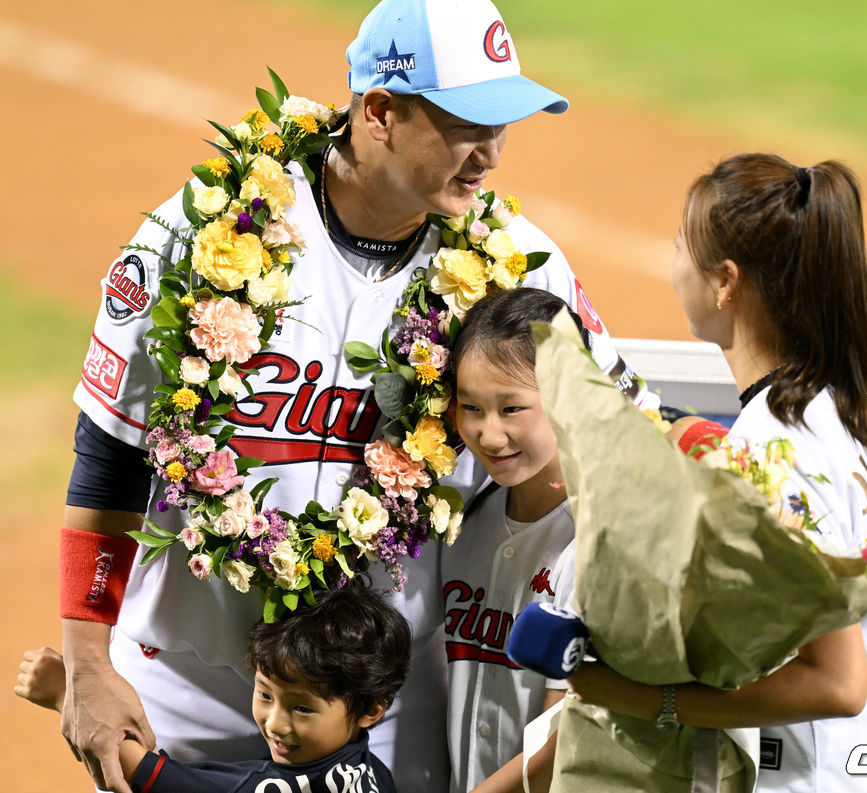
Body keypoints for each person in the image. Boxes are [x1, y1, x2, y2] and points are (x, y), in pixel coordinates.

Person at [59, 1, 656, 792]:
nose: (490, 156)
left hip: (387, 713)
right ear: (379, 111)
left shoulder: (519, 268)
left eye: (503, 125)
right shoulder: (201, 240)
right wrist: (86, 664)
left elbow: (629, 435)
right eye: (467, 124)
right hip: (186, 696)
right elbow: (110, 451)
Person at [566, 154, 867, 791]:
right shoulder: (836, 408)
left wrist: (647, 696)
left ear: (725, 282)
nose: (673, 259)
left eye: (681, 243)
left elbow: (837, 681)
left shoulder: (783, 445)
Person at [15, 587, 409, 792]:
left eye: (302, 709)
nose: (275, 724)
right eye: (265, 694)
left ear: (371, 709)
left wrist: (64, 693)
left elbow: (150, 777)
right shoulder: (373, 771)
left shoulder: (277, 789)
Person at [441, 288, 586, 793]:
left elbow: (562, 739)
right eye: (471, 408)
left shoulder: (596, 543)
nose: (489, 434)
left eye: (512, 408)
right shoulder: (457, 522)